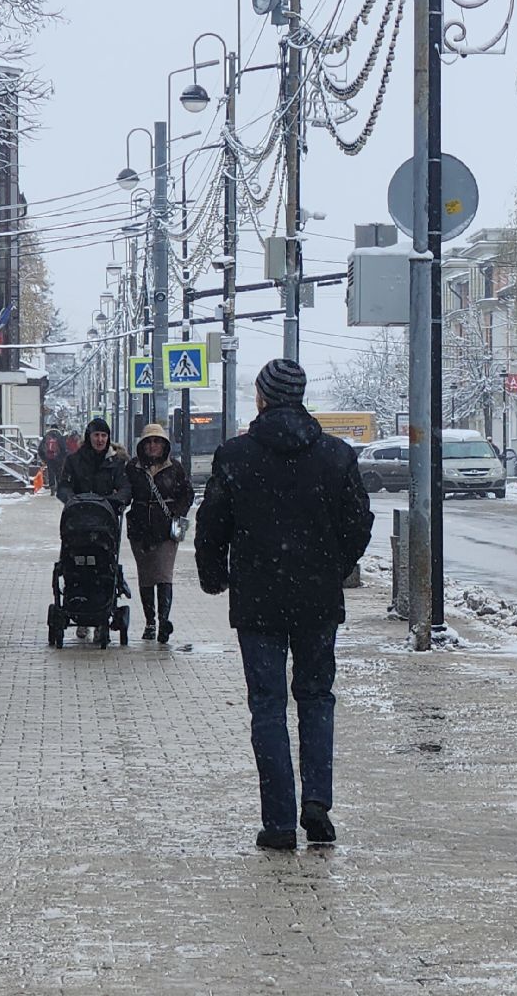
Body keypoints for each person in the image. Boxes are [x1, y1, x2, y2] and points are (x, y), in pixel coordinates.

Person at [196, 359, 374, 851]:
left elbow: (211, 524)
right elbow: (359, 522)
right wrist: (334, 567)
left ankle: (278, 822)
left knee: (268, 706)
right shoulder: (335, 456)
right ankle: (317, 801)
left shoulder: (235, 456)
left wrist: (215, 576)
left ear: (262, 398)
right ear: (299, 396)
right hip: (317, 599)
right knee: (316, 697)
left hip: (258, 600)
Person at [58, 418, 130, 642]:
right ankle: (77, 606)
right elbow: (64, 486)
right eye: (96, 435)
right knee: (75, 567)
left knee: (103, 568)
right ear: (89, 437)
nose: (100, 439)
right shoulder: (74, 461)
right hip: (78, 524)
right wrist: (74, 500)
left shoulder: (115, 463)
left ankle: (102, 612)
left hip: (104, 526)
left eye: (103, 436)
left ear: (108, 438)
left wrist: (113, 501)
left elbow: (125, 488)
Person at [127, 423, 194, 642]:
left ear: (164, 445)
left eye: (157, 441)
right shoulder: (133, 468)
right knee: (146, 577)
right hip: (140, 530)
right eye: (149, 442)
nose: (153, 446)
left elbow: (187, 494)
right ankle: (150, 622)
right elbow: (125, 491)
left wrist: (176, 512)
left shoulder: (174, 468)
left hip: (166, 530)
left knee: (164, 574)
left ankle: (164, 621)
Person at [37, 427, 63, 495]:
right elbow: (64, 448)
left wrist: (44, 459)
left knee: (51, 473)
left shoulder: (47, 436)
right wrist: (62, 458)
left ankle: (52, 488)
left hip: (49, 458)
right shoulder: (59, 436)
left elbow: (40, 449)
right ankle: (59, 488)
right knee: (58, 473)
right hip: (58, 459)